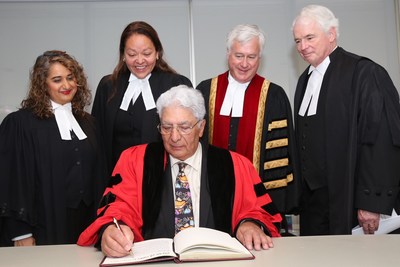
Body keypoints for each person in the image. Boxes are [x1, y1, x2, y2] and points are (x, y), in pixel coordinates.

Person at [77, 85, 281, 257]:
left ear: (201, 127)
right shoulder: (134, 160)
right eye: (166, 127)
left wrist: (249, 224)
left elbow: (256, 209)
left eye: (184, 127)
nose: (174, 137)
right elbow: (119, 207)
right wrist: (113, 229)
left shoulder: (234, 164)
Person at [292, 4, 400, 235]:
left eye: (310, 37)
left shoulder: (365, 73)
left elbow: (382, 141)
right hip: (315, 208)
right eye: (298, 40)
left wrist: (372, 202)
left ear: (331, 34)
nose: (303, 46)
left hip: (350, 200)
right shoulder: (304, 81)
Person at [197, 24, 300, 233]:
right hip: (211, 199)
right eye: (239, 55)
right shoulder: (205, 90)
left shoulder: (274, 96)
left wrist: (273, 208)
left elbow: (279, 159)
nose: (244, 64)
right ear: (228, 54)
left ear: (259, 58)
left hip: (257, 203)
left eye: (251, 57)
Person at [0, 50, 107, 246]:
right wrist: (21, 233)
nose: (66, 85)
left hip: (87, 225)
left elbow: (99, 175)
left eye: (70, 78)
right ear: (43, 84)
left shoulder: (89, 123)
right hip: (45, 225)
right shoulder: (20, 124)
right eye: (57, 80)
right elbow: (12, 181)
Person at [92, 21, 192, 174]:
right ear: (123, 55)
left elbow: (190, 137)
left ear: (157, 52)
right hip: (119, 178)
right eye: (132, 54)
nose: (139, 61)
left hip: (163, 178)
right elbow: (98, 140)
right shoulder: (108, 86)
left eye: (147, 54)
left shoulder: (177, 84)